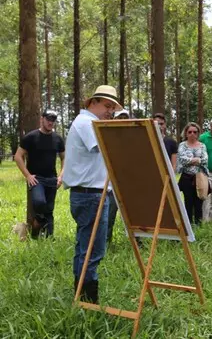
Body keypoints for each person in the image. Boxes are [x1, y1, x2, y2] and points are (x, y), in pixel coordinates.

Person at [62, 85, 121, 303]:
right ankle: (88, 300)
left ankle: (80, 293)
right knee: (93, 249)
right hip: (91, 196)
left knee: (84, 246)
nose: (110, 111)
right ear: (92, 102)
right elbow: (103, 146)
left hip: (88, 194)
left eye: (112, 108)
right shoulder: (87, 123)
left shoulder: (86, 122)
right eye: (107, 106)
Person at [15, 109, 65, 238]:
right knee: (40, 202)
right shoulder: (30, 137)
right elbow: (18, 156)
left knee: (50, 208)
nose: (50, 122)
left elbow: (64, 158)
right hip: (36, 179)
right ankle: (37, 222)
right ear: (41, 119)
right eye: (48, 119)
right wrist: (27, 175)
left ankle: (47, 238)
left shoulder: (58, 139)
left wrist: (61, 176)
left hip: (52, 179)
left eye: (53, 120)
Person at [106, 109, 131, 244]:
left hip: (129, 183)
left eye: (125, 117)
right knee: (109, 215)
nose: (123, 120)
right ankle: (106, 242)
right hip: (111, 184)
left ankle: (136, 243)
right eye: (120, 117)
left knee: (134, 216)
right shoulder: (107, 138)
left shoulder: (134, 139)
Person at [177, 122, 208, 226]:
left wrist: (191, 160)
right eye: (189, 132)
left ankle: (199, 226)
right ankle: (188, 226)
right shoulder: (182, 145)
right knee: (188, 203)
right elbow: (182, 159)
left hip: (200, 178)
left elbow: (205, 159)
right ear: (186, 133)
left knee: (199, 203)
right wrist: (196, 160)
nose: (192, 134)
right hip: (186, 178)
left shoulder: (202, 146)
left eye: (195, 132)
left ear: (198, 133)